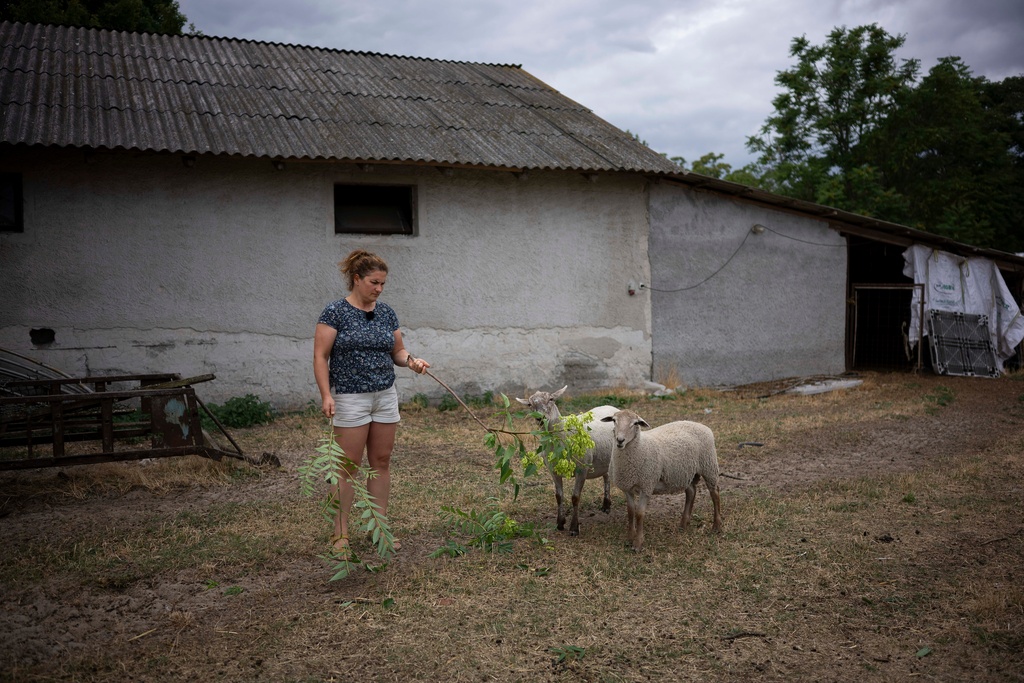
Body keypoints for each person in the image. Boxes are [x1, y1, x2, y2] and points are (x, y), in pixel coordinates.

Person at [313, 249, 430, 555]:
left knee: (381, 463)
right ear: (357, 279)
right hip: (350, 398)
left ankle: (380, 530)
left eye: (382, 284)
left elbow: (398, 351)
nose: (378, 289)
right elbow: (320, 356)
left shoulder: (387, 313)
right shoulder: (334, 312)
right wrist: (326, 395)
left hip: (384, 397)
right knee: (346, 467)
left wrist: (412, 362)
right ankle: (340, 535)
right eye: (373, 282)